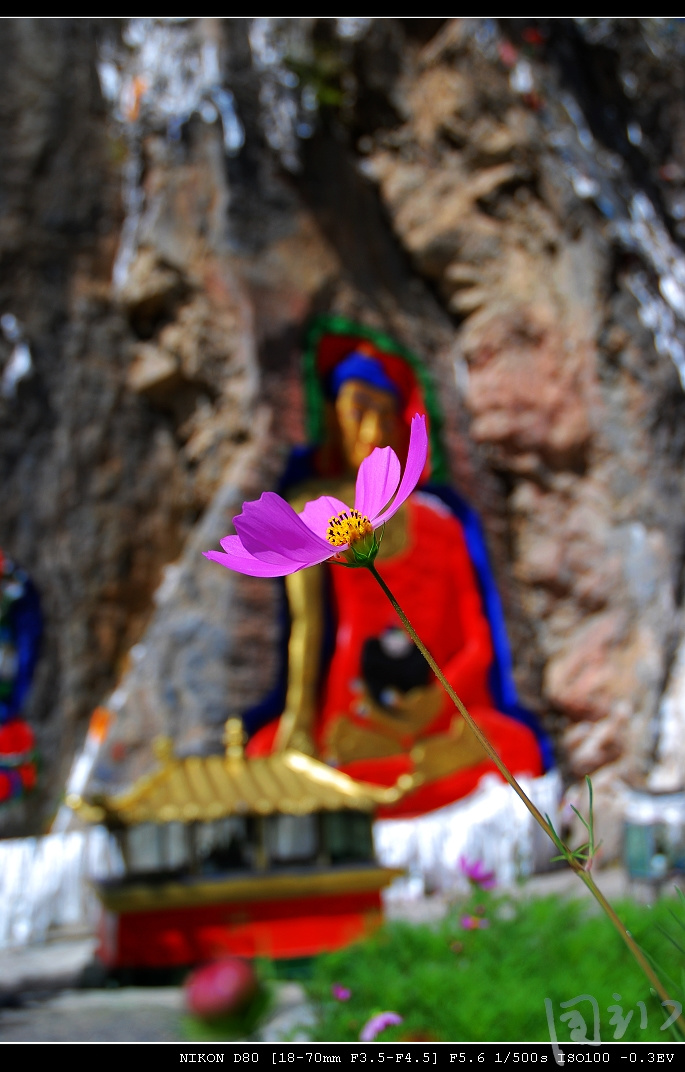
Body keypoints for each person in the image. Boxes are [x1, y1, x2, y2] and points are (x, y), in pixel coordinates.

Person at [245, 320, 549, 818]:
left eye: (387, 417)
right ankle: (394, 777)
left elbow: (477, 641)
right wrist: (299, 728)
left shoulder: (439, 524)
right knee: (267, 761)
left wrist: (434, 702)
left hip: (439, 713)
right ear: (333, 417)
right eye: (358, 412)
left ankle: (410, 771)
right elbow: (308, 629)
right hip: (353, 715)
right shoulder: (312, 512)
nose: (373, 432)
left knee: (515, 748)